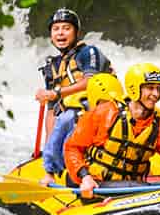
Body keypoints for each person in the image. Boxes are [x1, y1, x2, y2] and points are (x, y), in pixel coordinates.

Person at [64, 63, 160, 198]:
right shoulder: (106, 112)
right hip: (97, 186)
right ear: (134, 89)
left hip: (133, 189)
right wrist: (85, 177)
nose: (155, 94)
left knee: (140, 187)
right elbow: (73, 148)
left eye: (158, 89)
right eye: (150, 88)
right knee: (135, 188)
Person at [34, 8, 113, 139]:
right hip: (70, 124)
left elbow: (90, 82)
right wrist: (49, 147)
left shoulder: (89, 52)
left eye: (66, 28)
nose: (60, 33)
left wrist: (57, 92)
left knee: (71, 115)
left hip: (100, 118)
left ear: (76, 32)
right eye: (56, 29)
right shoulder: (52, 67)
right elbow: (52, 111)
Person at [40, 73, 123, 186]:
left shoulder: (128, 115)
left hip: (117, 173)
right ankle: (51, 173)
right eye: (104, 104)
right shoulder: (73, 116)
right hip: (85, 173)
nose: (108, 108)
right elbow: (62, 144)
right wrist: (50, 172)